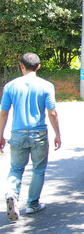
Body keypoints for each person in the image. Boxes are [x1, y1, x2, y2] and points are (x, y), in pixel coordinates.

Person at [0, 53, 62, 222]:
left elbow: (4, 113)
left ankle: (12, 193)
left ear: (21, 65)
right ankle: (32, 204)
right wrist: (57, 134)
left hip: (17, 134)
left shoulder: (10, 86)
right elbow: (52, 112)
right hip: (39, 134)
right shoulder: (46, 86)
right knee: (38, 169)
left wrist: (1, 135)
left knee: (16, 168)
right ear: (39, 67)